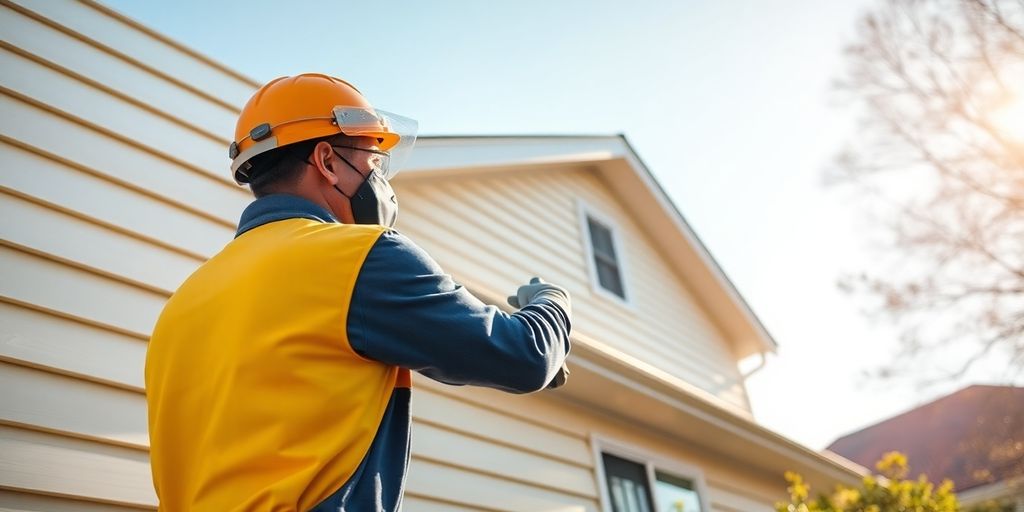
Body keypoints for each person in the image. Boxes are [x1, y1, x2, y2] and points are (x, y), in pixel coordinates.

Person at [144, 73, 572, 512]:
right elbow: (525, 355)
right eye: (374, 162)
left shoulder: (183, 304)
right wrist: (552, 303)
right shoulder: (360, 257)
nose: (380, 181)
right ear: (327, 161)